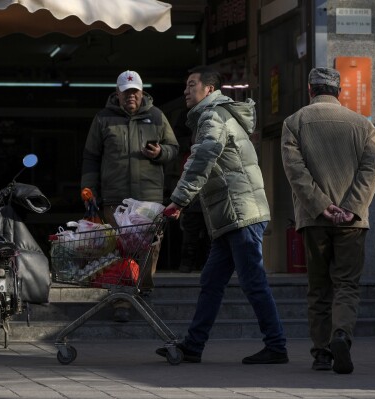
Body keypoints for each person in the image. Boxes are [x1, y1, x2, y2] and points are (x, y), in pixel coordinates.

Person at [157, 66, 288, 364]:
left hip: (240, 212)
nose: (186, 91)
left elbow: (203, 157)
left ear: (209, 89)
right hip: (230, 215)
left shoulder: (213, 116)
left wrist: (178, 200)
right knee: (211, 281)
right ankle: (193, 345)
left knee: (253, 281)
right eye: (186, 85)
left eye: (192, 85)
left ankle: (277, 346)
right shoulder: (214, 115)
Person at [280, 67, 375, 374]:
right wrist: (350, 207)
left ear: (310, 89)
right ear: (339, 92)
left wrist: (321, 205)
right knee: (347, 284)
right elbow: (370, 170)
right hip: (352, 222)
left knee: (319, 287)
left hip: (314, 219)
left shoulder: (294, 122)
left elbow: (295, 171)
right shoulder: (363, 125)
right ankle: (342, 334)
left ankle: (322, 352)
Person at [81, 70, 179, 322]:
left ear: (142, 92)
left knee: (149, 249)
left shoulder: (157, 116)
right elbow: (91, 157)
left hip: (148, 197)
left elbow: (174, 149)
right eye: (126, 93)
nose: (131, 97)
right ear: (117, 94)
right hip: (115, 197)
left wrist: (160, 152)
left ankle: (142, 289)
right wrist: (88, 190)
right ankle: (122, 299)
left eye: (135, 92)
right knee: (118, 249)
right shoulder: (103, 119)